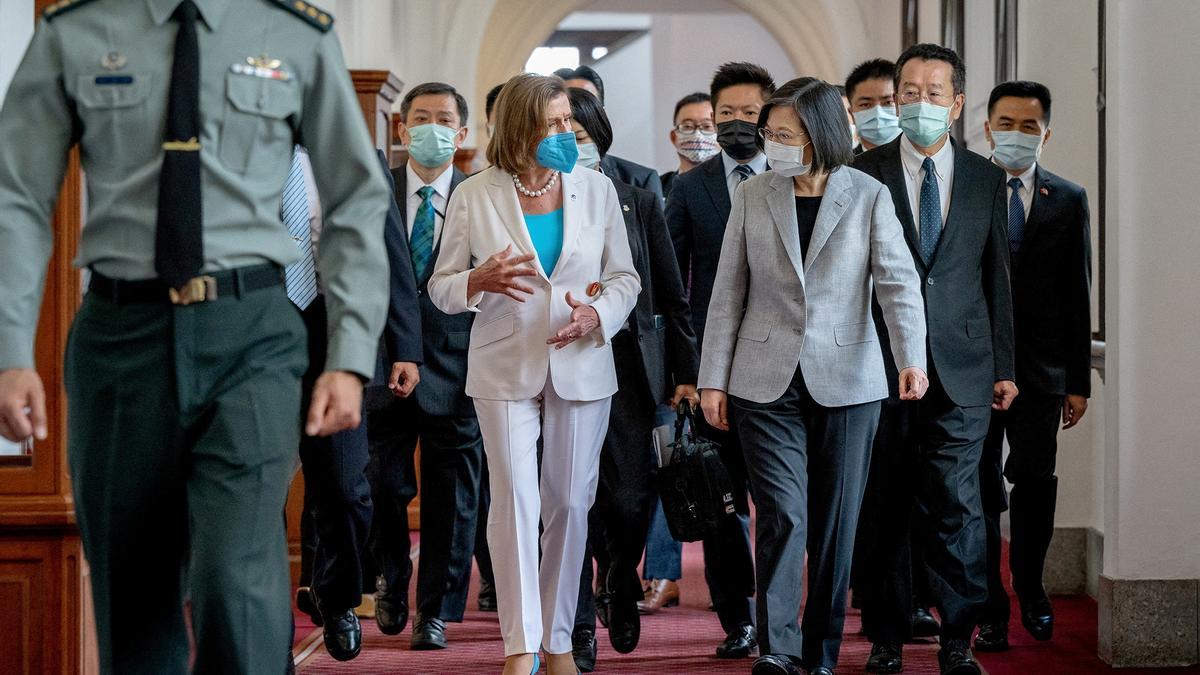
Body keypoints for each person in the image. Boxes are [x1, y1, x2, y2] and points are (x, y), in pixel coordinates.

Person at [0, 1, 390, 673]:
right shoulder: (76, 31)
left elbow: (355, 198)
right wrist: (10, 350)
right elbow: (17, 196)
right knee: (136, 594)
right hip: (121, 336)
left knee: (235, 582)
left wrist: (351, 354)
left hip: (253, 333)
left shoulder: (294, 32)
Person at [698, 80, 929, 675]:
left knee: (835, 522)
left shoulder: (868, 195)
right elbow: (727, 291)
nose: (771, 144)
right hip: (762, 378)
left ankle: (821, 651)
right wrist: (712, 380)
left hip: (849, 377)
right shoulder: (755, 195)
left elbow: (898, 283)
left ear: (820, 134)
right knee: (784, 512)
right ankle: (779, 650)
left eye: (784, 134)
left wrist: (911, 358)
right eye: (769, 133)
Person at [427, 73, 639, 675]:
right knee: (516, 499)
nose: (566, 131)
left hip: (581, 358)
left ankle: (558, 645)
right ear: (520, 127)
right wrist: (476, 281)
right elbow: (442, 288)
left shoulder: (597, 189)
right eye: (553, 122)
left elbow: (625, 277)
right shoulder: (474, 193)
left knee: (570, 503)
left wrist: (597, 313)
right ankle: (520, 647)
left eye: (568, 120)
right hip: (503, 360)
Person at [853, 44, 1017, 675]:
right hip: (881, 362)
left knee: (956, 499)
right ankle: (887, 636)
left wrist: (1003, 365)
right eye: (909, 92)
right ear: (896, 100)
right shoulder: (862, 172)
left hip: (964, 364)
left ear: (955, 105)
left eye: (933, 92)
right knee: (886, 500)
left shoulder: (984, 177)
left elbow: (994, 275)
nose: (919, 102)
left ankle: (957, 635)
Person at [564, 87, 701, 672]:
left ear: (601, 137)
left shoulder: (637, 199)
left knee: (627, 494)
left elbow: (670, 292)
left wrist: (685, 373)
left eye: (581, 135)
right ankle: (572, 623)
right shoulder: (525, 199)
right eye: (560, 136)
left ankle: (619, 577)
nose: (571, 146)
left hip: (626, 366)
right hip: (558, 362)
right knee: (567, 496)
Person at [366, 82, 488, 652]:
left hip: (459, 365)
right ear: (400, 128)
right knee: (382, 485)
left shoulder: (482, 196)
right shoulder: (373, 191)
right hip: (381, 362)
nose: (432, 127)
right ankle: (392, 574)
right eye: (421, 118)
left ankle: (435, 609)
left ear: (461, 134)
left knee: (453, 498)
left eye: (444, 119)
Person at [973, 80, 1092, 653]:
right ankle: (988, 604)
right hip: (970, 367)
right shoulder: (964, 188)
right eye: (1006, 123)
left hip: (1042, 371)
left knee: (1035, 481)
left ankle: (1031, 586)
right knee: (975, 487)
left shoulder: (1067, 198)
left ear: (1046, 132)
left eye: (1029, 125)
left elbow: (1077, 294)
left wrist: (1076, 380)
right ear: (986, 126)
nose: (1016, 134)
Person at [292, 145, 421, 662]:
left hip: (336, 333)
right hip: (259, 333)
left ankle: (339, 594)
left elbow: (390, 256)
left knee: (346, 489)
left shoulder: (355, 155)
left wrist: (405, 347)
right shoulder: (243, 142)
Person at [666, 60, 775, 659]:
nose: (738, 123)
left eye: (749, 113)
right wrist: (686, 372)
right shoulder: (692, 186)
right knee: (723, 498)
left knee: (782, 501)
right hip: (717, 370)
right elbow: (672, 286)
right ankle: (739, 618)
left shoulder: (794, 178)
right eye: (726, 113)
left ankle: (783, 616)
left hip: (785, 368)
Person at [847, 55, 941, 640]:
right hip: (872, 356)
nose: (885, 114)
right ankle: (890, 609)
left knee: (939, 492)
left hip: (946, 357)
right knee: (882, 489)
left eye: (893, 101)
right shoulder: (853, 176)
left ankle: (927, 599)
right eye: (870, 104)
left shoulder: (956, 173)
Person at [554, 65, 665, 203]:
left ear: (602, 115)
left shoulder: (638, 180)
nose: (577, 107)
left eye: (588, 101)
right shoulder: (538, 189)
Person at [660, 92, 719, 198]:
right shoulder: (656, 187)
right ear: (674, 137)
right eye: (687, 126)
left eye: (707, 126)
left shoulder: (737, 186)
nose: (697, 135)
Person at [846, 59, 902, 152]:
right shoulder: (841, 165)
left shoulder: (926, 161)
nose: (878, 113)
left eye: (888, 102)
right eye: (865, 104)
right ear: (852, 114)